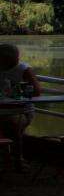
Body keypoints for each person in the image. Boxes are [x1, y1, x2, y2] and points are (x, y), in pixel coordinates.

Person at [0, 43, 40, 171]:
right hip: (2, 109)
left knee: (14, 124)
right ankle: (8, 157)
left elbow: (37, 91)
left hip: (22, 110)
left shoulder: (24, 69)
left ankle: (17, 159)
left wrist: (19, 91)